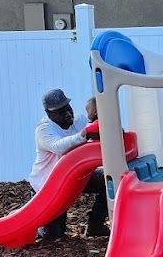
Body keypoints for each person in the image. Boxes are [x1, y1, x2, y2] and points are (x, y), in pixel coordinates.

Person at [30, 88, 109, 240]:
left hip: (74, 178)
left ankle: (96, 224)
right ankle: (34, 221)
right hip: (49, 186)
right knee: (53, 235)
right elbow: (58, 146)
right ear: (49, 114)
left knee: (108, 179)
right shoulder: (44, 130)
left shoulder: (79, 121)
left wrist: (99, 116)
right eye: (60, 111)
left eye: (68, 108)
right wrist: (83, 135)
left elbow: (97, 128)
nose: (67, 113)